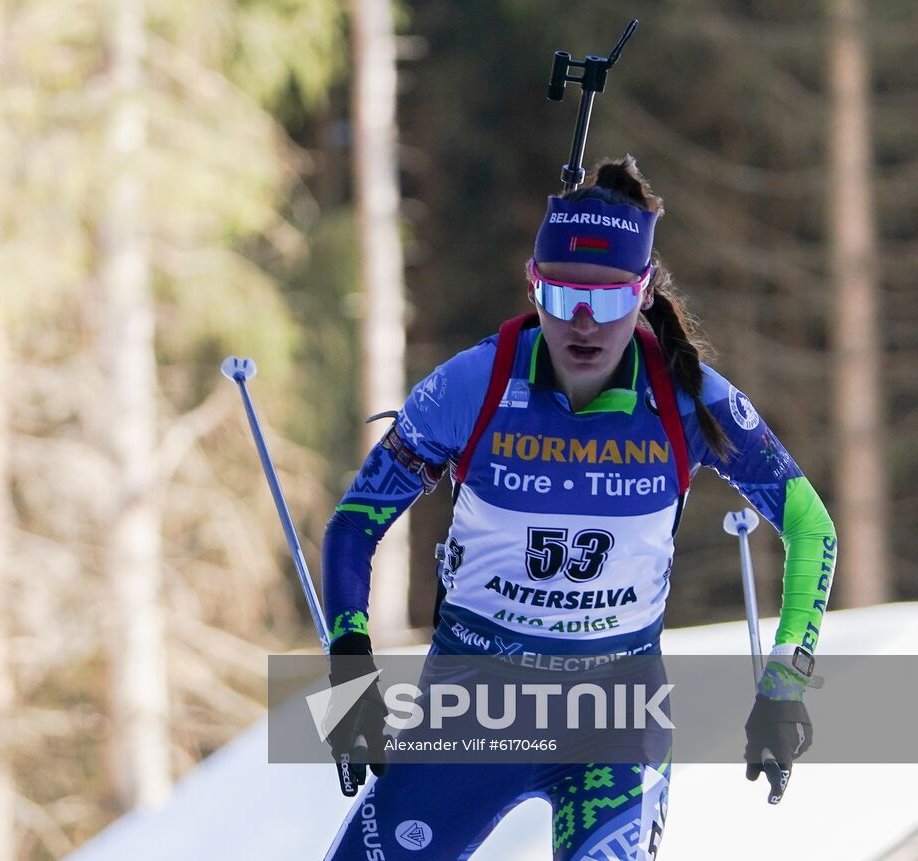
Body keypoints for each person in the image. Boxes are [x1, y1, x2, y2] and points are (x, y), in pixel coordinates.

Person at [319, 157, 837, 860]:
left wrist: (786, 682)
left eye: (611, 299)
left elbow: (810, 524)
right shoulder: (473, 384)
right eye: (563, 298)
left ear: (645, 291)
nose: (585, 323)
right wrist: (350, 672)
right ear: (534, 288)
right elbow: (355, 523)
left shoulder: (693, 401)